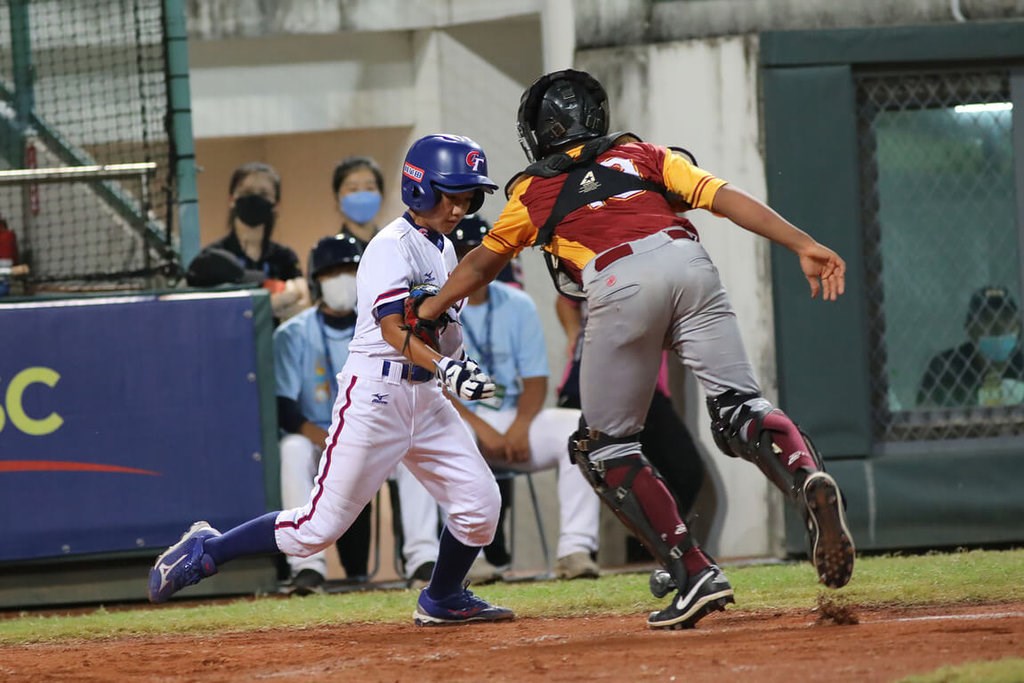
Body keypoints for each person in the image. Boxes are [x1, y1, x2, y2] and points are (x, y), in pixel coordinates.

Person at [413, 69, 855, 630]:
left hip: (617, 278)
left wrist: (427, 310)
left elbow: (482, 262)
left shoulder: (532, 189)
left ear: (537, 131)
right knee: (740, 407)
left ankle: (693, 572)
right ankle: (806, 477)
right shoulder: (643, 154)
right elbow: (724, 198)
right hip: (689, 262)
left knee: (603, 447)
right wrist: (805, 243)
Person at [148, 133, 514, 626]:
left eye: (468, 196)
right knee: (315, 530)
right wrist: (446, 366)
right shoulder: (389, 246)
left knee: (479, 506)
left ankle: (442, 598)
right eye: (452, 193)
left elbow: (441, 325)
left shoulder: (445, 249)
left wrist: (458, 364)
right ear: (421, 187)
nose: (460, 206)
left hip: (425, 398)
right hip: (377, 395)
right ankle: (209, 548)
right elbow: (391, 329)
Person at [444, 218, 601, 581]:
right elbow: (433, 385)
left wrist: (519, 426)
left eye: (479, 252)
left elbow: (535, 380)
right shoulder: (438, 304)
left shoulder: (518, 304)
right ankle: (470, 557)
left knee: (577, 428)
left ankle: (575, 549)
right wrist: (484, 429)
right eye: (463, 253)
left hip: (514, 416)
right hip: (459, 419)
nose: (472, 261)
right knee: (449, 437)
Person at [273, 235, 375, 594]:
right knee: (292, 448)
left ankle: (423, 559)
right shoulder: (292, 334)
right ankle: (307, 567)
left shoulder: (380, 325)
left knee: (412, 447)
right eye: (333, 271)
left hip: (372, 436)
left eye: (350, 269)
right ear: (317, 279)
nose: (342, 278)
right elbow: (284, 407)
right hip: (317, 436)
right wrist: (330, 439)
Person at [556, 296, 706, 524]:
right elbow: (565, 301)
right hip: (586, 382)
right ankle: (579, 553)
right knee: (583, 474)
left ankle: (653, 547)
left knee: (685, 470)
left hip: (643, 385)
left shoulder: (658, 267)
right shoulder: (585, 261)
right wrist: (572, 333)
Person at [196, 162, 309, 323]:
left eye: (263, 194)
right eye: (247, 192)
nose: (254, 199)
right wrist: (264, 306)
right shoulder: (212, 257)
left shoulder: (285, 258)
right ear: (232, 199)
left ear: (276, 204)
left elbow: (301, 302)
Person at [918, 285, 1024, 408]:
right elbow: (924, 412)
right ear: (969, 328)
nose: (997, 326)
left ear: (1019, 325)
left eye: (1006, 318)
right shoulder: (945, 367)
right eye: (986, 318)